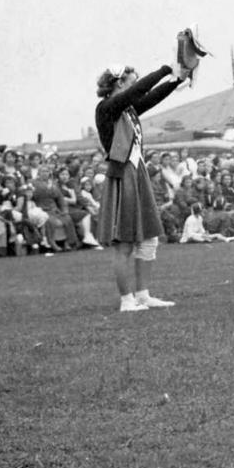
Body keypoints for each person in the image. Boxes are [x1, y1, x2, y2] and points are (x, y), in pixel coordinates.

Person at [95, 59, 190, 312]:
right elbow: (139, 92)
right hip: (123, 175)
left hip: (136, 173)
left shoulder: (126, 109)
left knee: (148, 239)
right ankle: (127, 300)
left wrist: (177, 80)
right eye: (131, 81)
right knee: (124, 243)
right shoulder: (106, 107)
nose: (136, 86)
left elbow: (152, 96)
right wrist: (165, 70)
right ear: (119, 83)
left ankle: (143, 294)